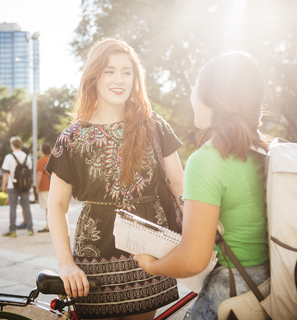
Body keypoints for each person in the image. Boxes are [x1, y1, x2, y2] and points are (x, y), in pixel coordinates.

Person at [46, 38, 184, 320]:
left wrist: (202, 234)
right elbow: (56, 206)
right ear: (94, 77)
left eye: (126, 71)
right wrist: (66, 265)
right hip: (94, 258)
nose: (119, 79)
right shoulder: (71, 138)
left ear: (136, 78)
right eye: (109, 71)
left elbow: (181, 186)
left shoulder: (154, 126)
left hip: (149, 257)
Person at [134, 51, 271, 319]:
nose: (191, 96)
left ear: (211, 97)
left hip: (231, 292)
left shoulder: (208, 159)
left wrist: (152, 265)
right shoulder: (265, 152)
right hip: (270, 285)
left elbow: (193, 259)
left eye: (195, 87)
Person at [1, 136, 34, 237]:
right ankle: (30, 229)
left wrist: (3, 186)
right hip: (25, 186)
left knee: (13, 208)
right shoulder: (27, 157)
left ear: (12, 145)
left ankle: (12, 230)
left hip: (12, 186)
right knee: (26, 207)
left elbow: (6, 173)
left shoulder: (9, 157)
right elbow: (30, 172)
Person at [36, 142, 51, 233]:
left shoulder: (42, 160)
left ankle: (48, 226)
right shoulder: (54, 158)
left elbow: (39, 174)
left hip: (45, 186)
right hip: (54, 186)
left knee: (47, 207)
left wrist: (37, 187)